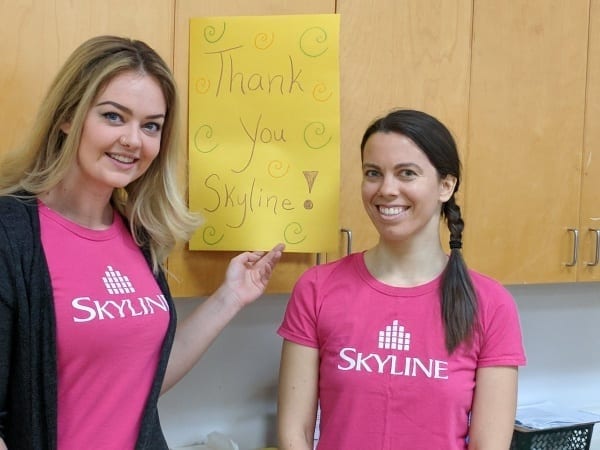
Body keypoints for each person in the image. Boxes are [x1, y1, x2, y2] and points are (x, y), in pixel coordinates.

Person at [0, 35, 284, 450]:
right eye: (114, 117)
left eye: (151, 125)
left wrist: (231, 297)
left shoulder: (140, 234)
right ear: (67, 116)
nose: (134, 140)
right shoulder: (13, 234)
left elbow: (142, 378)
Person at [276, 109, 526, 450]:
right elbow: (295, 434)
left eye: (406, 173)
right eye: (373, 173)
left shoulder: (490, 304)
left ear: (445, 185)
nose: (386, 189)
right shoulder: (316, 288)